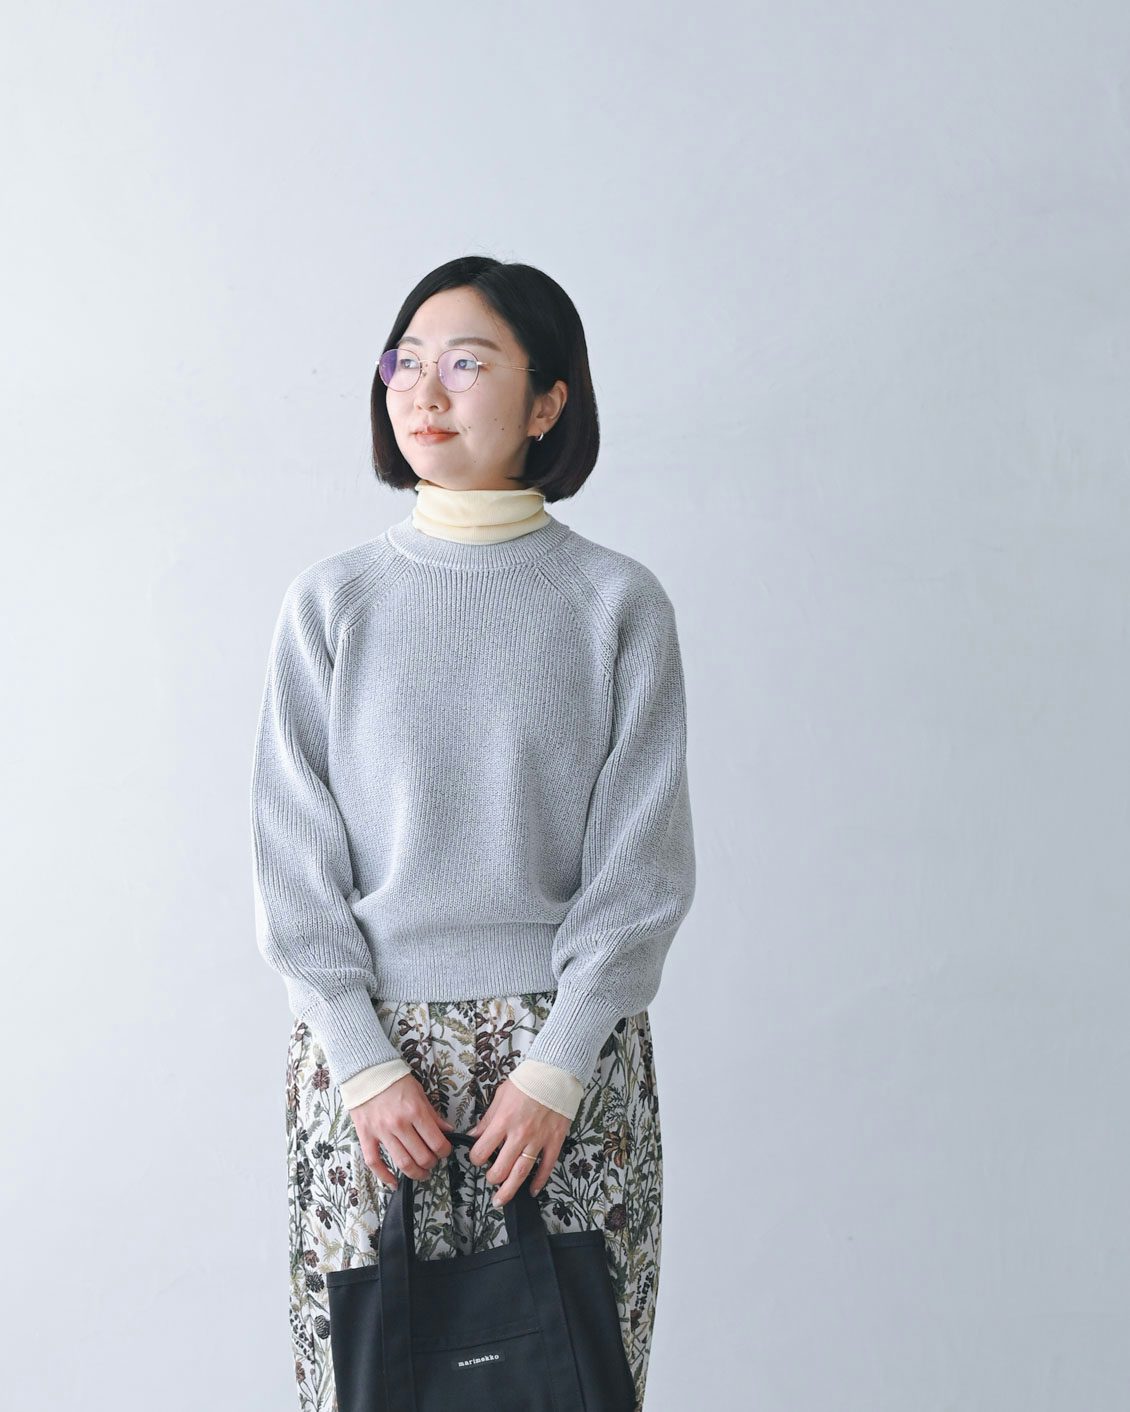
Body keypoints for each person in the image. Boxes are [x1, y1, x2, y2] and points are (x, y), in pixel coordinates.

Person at [250, 254, 697, 1412]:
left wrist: (556, 1066)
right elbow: (293, 867)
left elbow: (640, 870)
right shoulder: (330, 602)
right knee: (364, 1390)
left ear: (546, 401)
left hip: (564, 1066)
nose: (422, 388)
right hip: (366, 1073)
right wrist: (360, 1060)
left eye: (464, 362)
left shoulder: (616, 603)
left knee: (571, 1387)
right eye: (404, 361)